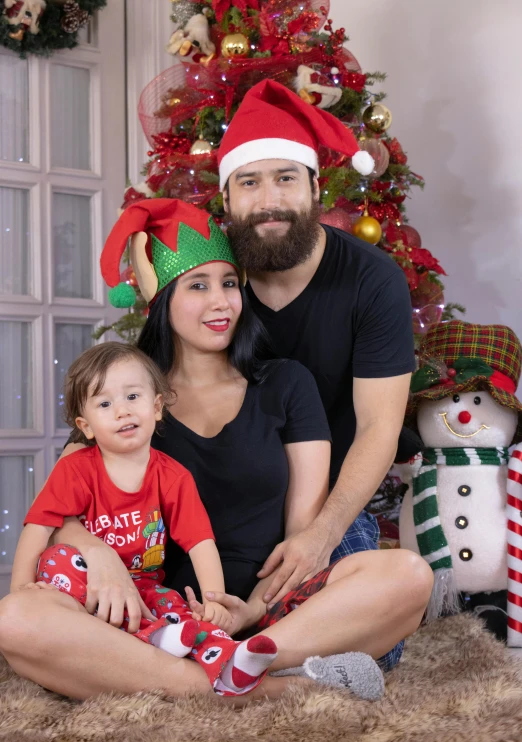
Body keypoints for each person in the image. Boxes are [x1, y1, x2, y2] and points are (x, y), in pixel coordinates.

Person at [0, 199, 432, 702]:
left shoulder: (286, 383)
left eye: (229, 283)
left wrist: (252, 607)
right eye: (198, 286)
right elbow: (62, 504)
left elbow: (301, 535)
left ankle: (217, 669)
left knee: (407, 575)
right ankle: (258, 687)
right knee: (17, 620)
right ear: (162, 300)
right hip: (155, 619)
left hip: (269, 613)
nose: (221, 301)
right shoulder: (131, 399)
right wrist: (99, 556)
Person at [218, 79, 421, 617]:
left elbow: (379, 426)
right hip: (229, 493)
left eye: (286, 178)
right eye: (249, 182)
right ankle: (263, 654)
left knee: (386, 610)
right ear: (226, 198)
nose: (269, 202)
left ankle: (252, 655)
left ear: (314, 188)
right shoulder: (209, 283)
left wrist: (321, 535)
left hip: (331, 499)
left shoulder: (372, 280)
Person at [10, 341, 278, 696]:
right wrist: (20, 587)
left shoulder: (172, 476)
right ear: (86, 426)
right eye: (105, 404)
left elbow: (200, 542)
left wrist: (214, 600)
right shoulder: (76, 469)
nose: (122, 411)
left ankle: (230, 661)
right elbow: (39, 526)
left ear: (156, 408)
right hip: (83, 587)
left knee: (178, 608)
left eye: (132, 398)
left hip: (141, 587)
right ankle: (159, 640)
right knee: (62, 558)